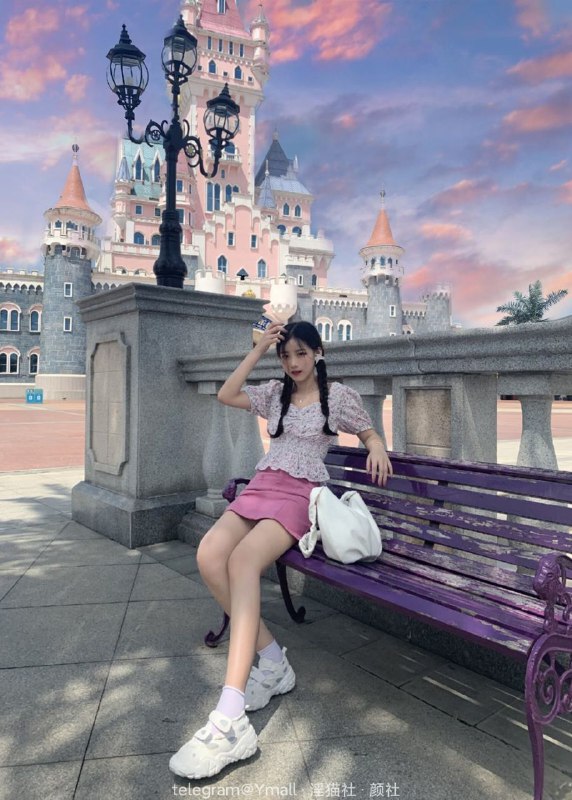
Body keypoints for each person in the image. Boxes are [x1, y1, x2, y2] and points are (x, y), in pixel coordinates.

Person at [169, 321, 393, 780]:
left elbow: (369, 432)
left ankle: (230, 716)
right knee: (209, 555)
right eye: (286, 355)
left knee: (243, 562)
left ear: (318, 353)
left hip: (299, 495)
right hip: (262, 486)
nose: (293, 363)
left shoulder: (337, 397)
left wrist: (377, 446)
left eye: (301, 354)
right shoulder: (275, 393)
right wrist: (258, 350)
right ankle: (272, 660)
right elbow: (226, 394)